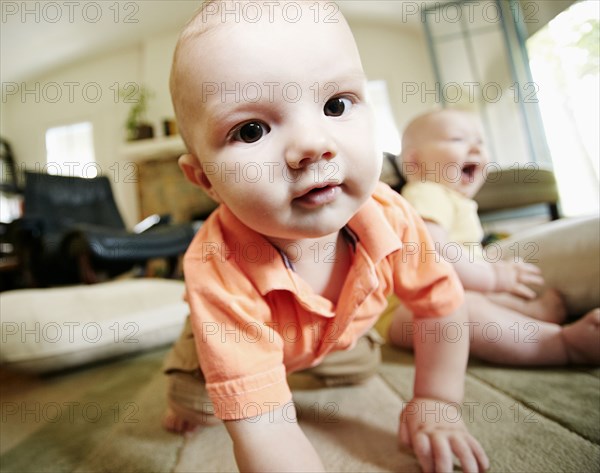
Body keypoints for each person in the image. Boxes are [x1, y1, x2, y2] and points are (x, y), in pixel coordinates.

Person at [162, 2, 489, 472]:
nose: (313, 143)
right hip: (225, 336)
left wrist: (436, 403)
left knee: (360, 367)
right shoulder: (218, 264)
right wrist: (257, 402)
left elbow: (441, 305)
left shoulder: (392, 215)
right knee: (201, 403)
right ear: (207, 182)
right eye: (251, 130)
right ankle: (215, 371)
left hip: (331, 338)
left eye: (336, 104)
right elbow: (263, 427)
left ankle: (294, 365)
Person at [393, 108, 600, 365]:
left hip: (443, 291)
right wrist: (492, 276)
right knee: (460, 308)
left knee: (480, 297)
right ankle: (559, 344)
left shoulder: (453, 200)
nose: (476, 148)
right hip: (402, 309)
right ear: (415, 164)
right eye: (458, 139)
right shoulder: (426, 191)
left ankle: (529, 314)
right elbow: (433, 252)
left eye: (480, 141)